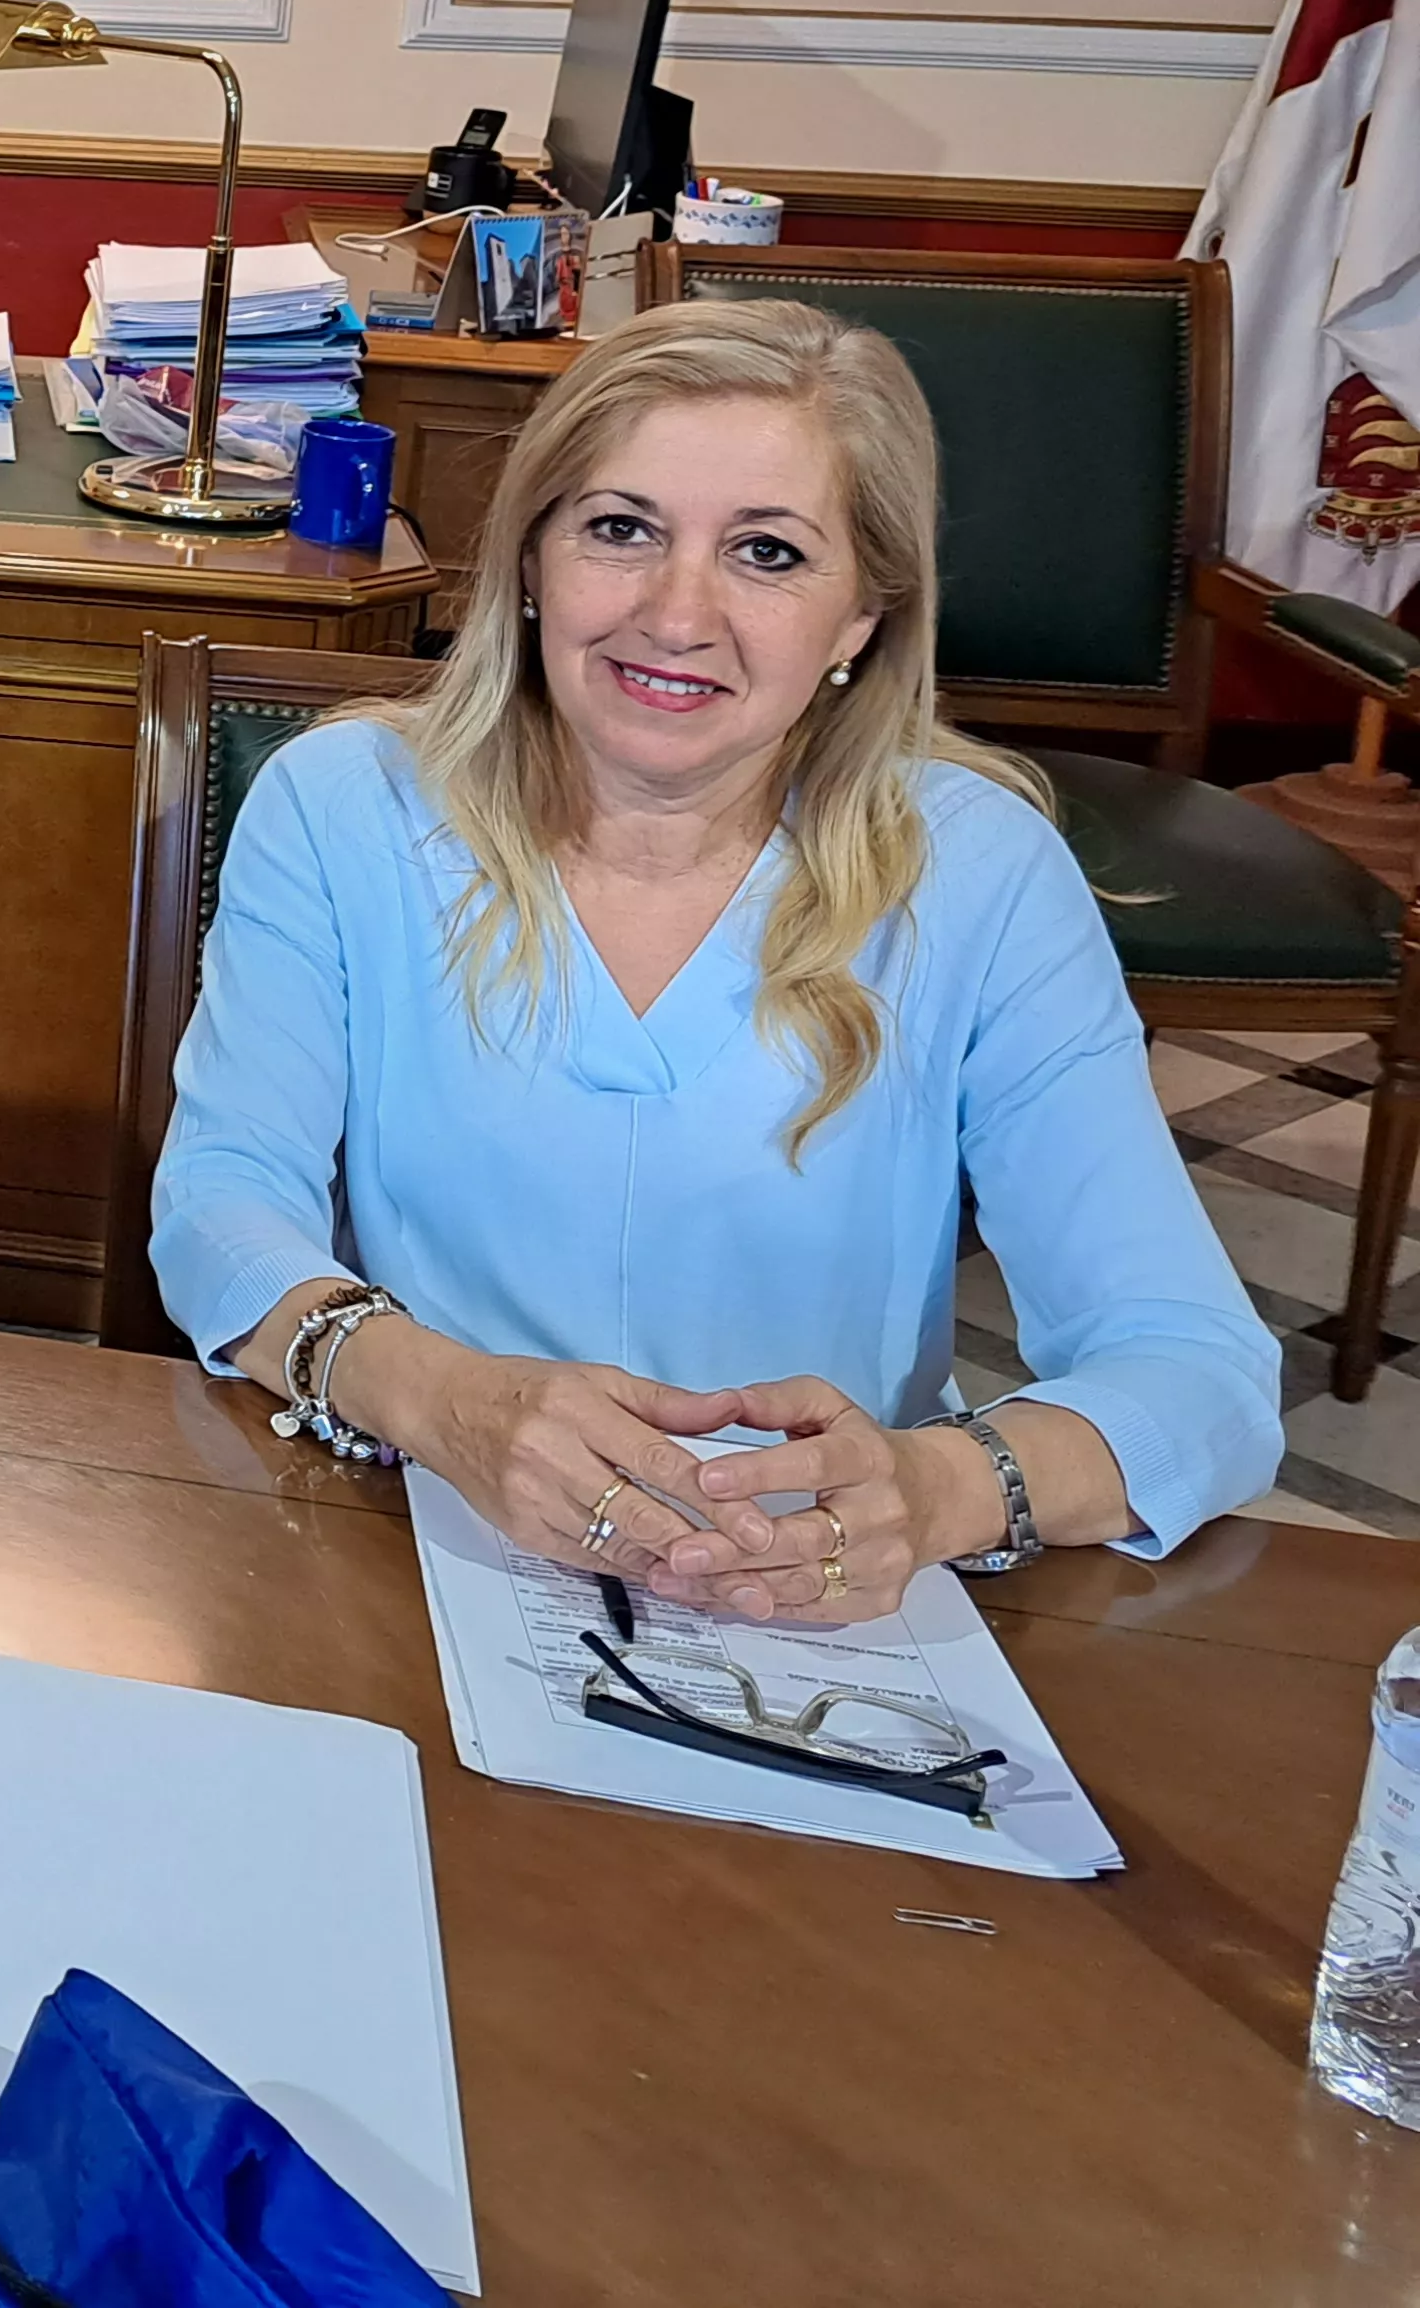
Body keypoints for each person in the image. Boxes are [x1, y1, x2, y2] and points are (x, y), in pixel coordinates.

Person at [154, 299, 1282, 1622]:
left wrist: (937, 1489)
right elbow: (221, 1210)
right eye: (621, 530)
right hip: (413, 1540)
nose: (676, 614)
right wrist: (441, 1397)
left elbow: (1197, 1373)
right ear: (531, 560)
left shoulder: (979, 871)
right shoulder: (343, 804)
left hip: (821, 1609)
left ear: (862, 616)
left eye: (767, 552)